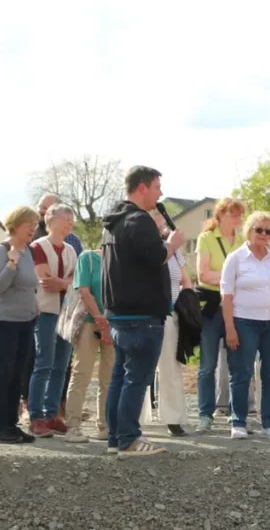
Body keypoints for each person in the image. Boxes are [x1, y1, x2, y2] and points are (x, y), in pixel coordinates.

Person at [101, 165, 184, 457]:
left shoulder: (113, 222)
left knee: (120, 378)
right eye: (157, 187)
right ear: (142, 187)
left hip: (119, 313)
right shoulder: (139, 220)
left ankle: (116, 438)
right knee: (136, 379)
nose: (160, 193)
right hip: (142, 315)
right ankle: (128, 439)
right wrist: (171, 244)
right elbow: (157, 256)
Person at [221, 211, 270, 440]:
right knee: (242, 372)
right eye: (259, 229)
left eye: (268, 231)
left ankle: (269, 423)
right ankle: (238, 421)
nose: (263, 234)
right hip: (244, 321)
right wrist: (230, 327)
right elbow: (226, 296)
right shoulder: (235, 258)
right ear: (248, 230)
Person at [0, 206, 40, 444]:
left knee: (18, 375)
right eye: (29, 225)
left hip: (26, 320)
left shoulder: (28, 251)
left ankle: (11, 425)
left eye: (35, 225)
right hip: (4, 321)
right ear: (16, 225)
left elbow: (30, 284)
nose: (33, 229)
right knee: (4, 373)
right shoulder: (3, 249)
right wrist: (11, 264)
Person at [193, 198, 245, 433]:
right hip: (212, 309)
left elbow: (247, 274)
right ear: (221, 214)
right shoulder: (206, 238)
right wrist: (231, 278)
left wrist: (223, 277)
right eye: (234, 214)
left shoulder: (242, 241)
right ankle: (205, 415)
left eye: (240, 215)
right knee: (207, 365)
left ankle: (237, 415)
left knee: (237, 365)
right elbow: (203, 275)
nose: (238, 219)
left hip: (237, 308)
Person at [27, 204, 77, 437]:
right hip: (45, 311)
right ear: (51, 219)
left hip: (66, 313)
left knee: (61, 365)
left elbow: (75, 280)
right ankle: (36, 416)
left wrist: (63, 283)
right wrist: (66, 283)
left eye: (72, 218)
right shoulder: (38, 246)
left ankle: (52, 413)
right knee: (44, 362)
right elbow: (45, 280)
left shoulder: (71, 250)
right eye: (66, 218)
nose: (70, 222)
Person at [139, 213, 191, 436]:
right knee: (140, 367)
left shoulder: (175, 252)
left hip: (170, 314)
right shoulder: (142, 248)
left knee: (171, 367)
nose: (161, 224)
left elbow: (185, 279)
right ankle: (135, 418)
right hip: (144, 315)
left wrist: (187, 302)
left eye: (160, 220)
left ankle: (173, 418)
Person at [64, 244, 116, 443]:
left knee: (109, 377)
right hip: (89, 322)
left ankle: (105, 425)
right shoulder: (87, 258)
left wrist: (108, 323)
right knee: (81, 373)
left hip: (114, 323)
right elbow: (84, 292)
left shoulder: (121, 260)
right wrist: (100, 320)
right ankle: (73, 426)